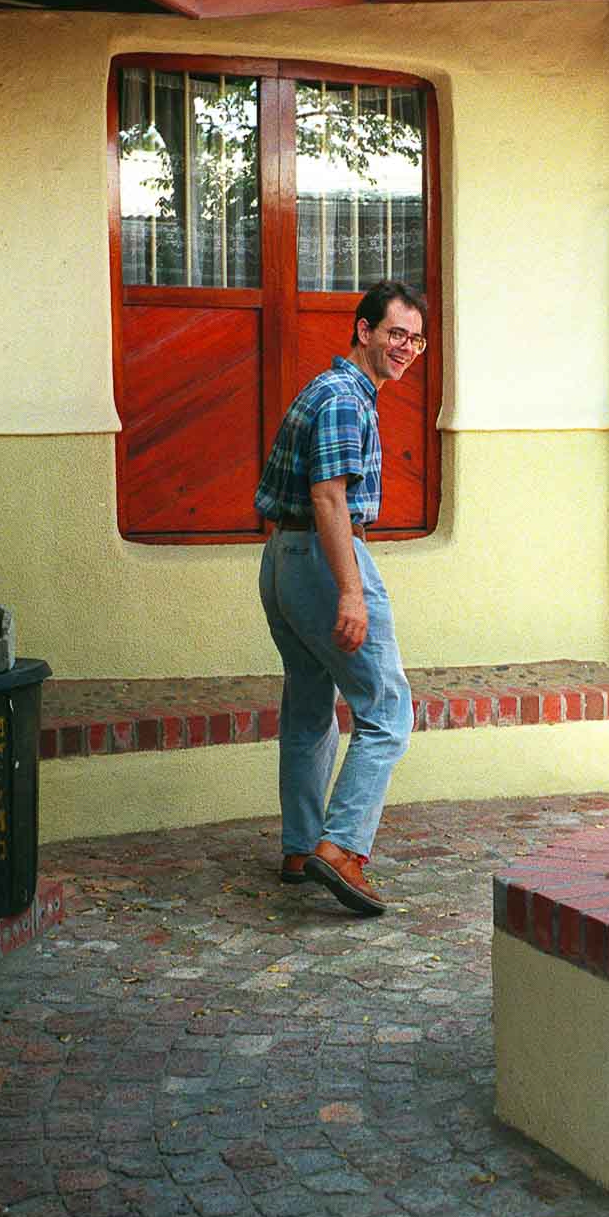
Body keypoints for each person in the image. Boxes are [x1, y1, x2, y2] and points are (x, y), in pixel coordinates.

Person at [252, 280, 428, 917]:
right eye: (393, 334)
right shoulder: (344, 399)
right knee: (386, 710)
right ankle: (343, 849)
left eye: (414, 338)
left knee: (307, 705)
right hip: (323, 560)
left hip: (282, 561)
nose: (404, 347)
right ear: (363, 330)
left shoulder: (336, 392)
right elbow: (329, 497)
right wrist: (351, 592)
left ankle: (301, 849)